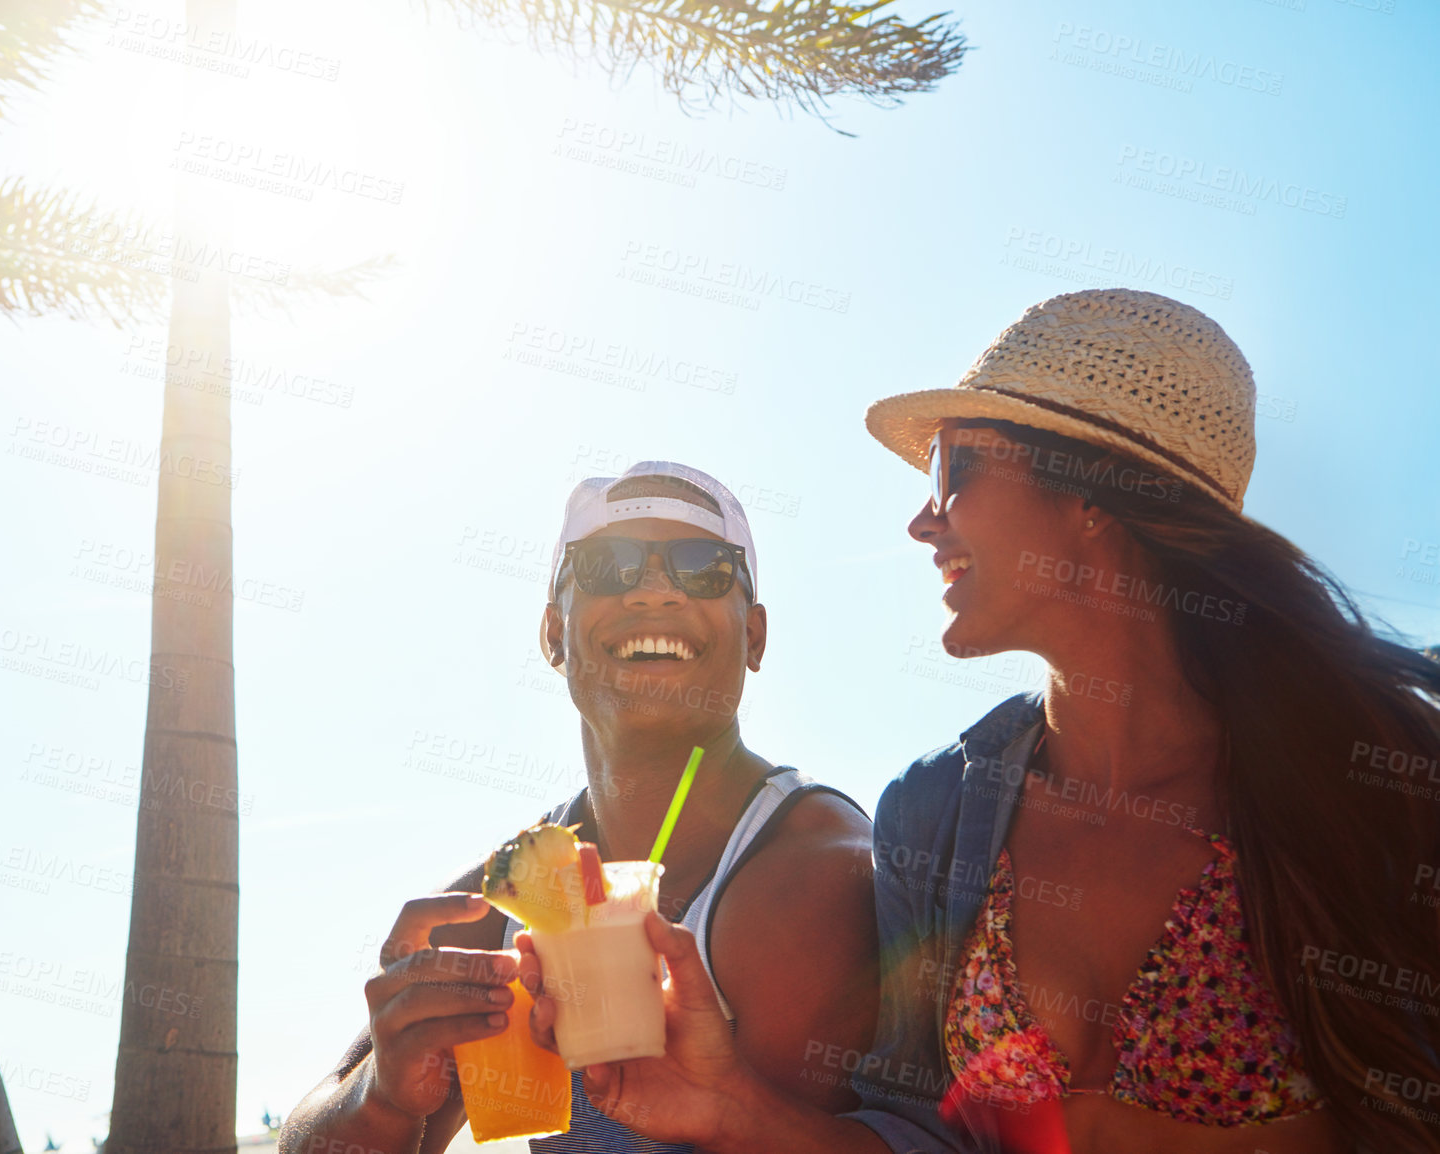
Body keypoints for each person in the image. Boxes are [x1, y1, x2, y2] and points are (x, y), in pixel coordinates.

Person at [516, 291, 1440, 1154]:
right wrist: (731, 1107)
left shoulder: (1379, 780)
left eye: (952, 468)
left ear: (1090, 497)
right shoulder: (936, 812)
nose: (923, 521)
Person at [281, 462, 879, 1154]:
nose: (655, 590)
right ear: (553, 634)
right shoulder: (502, 903)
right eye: (607, 566)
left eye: (703, 568)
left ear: (754, 637)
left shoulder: (814, 874)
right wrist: (382, 1099)